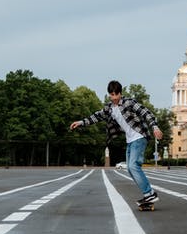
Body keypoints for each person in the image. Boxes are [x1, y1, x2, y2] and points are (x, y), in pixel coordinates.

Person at [70, 80, 163, 208]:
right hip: (130, 140)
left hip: (139, 136)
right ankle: (149, 194)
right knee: (130, 169)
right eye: (111, 95)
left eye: (115, 95)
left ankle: (149, 193)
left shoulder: (129, 102)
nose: (113, 98)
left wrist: (155, 127)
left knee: (133, 166)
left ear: (120, 93)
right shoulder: (109, 108)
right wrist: (81, 122)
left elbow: (146, 113)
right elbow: (97, 116)